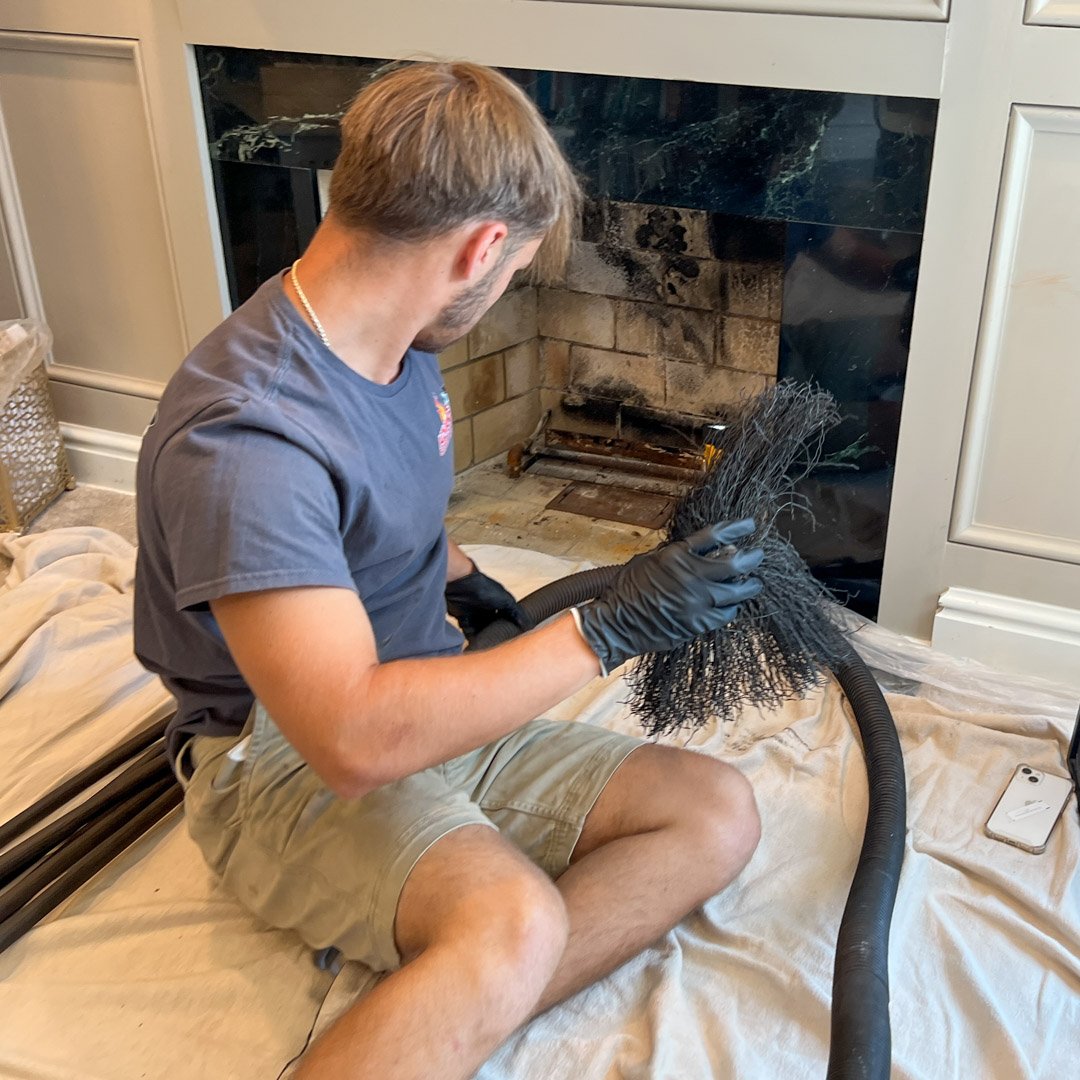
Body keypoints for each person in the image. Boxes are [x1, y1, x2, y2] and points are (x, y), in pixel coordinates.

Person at [134, 61, 764, 1080]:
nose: (508, 286)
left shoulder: (395, 344)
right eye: (514, 268)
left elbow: (397, 524)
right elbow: (348, 738)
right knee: (511, 921)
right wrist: (597, 631)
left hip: (422, 697)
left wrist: (472, 588)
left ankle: (457, 1006)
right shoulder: (246, 437)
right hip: (285, 761)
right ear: (478, 247)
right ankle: (472, 980)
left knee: (715, 811)